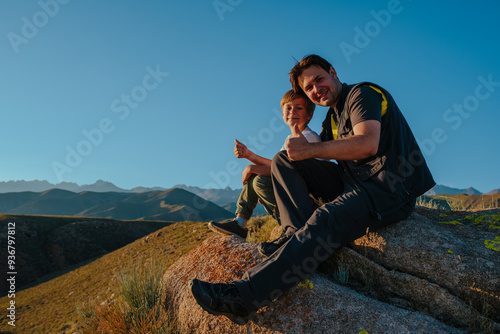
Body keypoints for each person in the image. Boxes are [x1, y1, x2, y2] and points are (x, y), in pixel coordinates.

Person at [189, 54, 435, 325]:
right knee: (285, 158)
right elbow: (320, 161)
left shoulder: (362, 94)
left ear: (333, 72)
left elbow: (368, 143)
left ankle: (242, 297)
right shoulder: (331, 118)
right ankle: (294, 234)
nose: (317, 89)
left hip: (387, 188)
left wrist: (309, 149)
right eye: (309, 88)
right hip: (352, 182)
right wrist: (297, 151)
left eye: (319, 80)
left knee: (325, 219)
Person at [208, 89, 321, 240]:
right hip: (295, 193)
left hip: (308, 199)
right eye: (288, 108)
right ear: (282, 114)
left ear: (309, 115)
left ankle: (292, 225)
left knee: (260, 180)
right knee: (256, 176)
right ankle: (240, 223)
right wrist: (248, 155)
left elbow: (287, 170)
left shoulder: (309, 137)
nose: (292, 111)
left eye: (298, 108)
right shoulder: (290, 138)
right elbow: (277, 165)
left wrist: (252, 168)